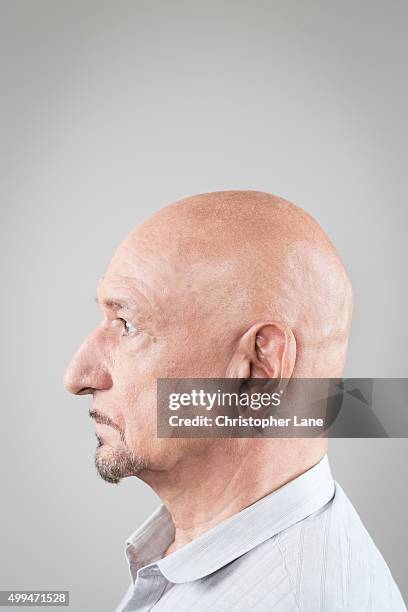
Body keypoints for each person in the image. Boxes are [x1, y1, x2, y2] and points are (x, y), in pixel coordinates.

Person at [64, 191, 406, 611]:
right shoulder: (190, 552)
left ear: (259, 364)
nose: (78, 377)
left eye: (128, 324)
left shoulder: (307, 601)